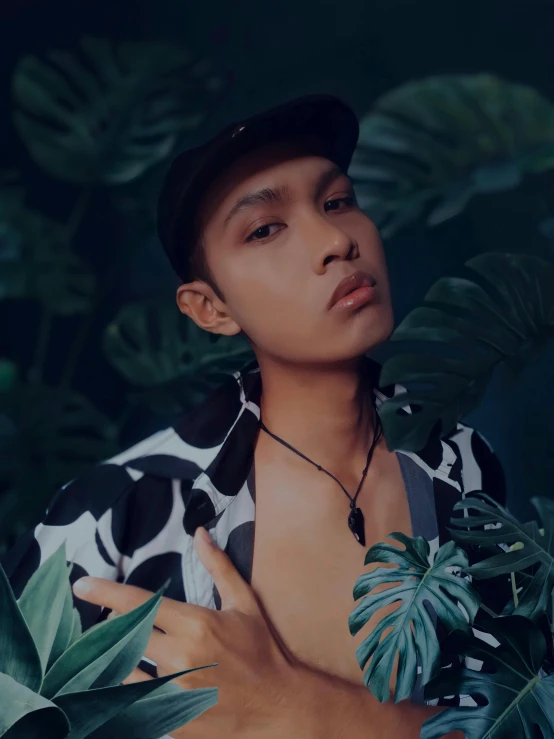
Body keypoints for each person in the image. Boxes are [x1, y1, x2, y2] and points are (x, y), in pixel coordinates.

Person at [1, 95, 506, 738]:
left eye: (337, 201)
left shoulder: (459, 463)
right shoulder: (121, 509)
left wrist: (290, 705)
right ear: (210, 309)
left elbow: (517, 713)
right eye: (265, 229)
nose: (335, 240)